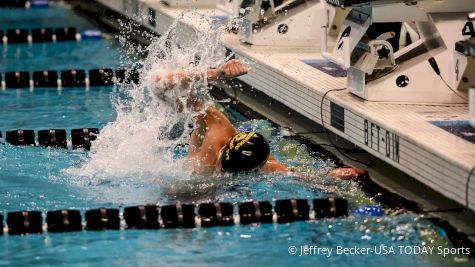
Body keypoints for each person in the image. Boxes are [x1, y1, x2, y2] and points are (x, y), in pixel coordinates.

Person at [151, 59, 367, 179]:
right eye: (222, 167)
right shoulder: (215, 125)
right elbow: (158, 83)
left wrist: (332, 175)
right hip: (186, 189)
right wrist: (215, 74)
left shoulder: (262, 163)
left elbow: (295, 174)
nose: (219, 170)